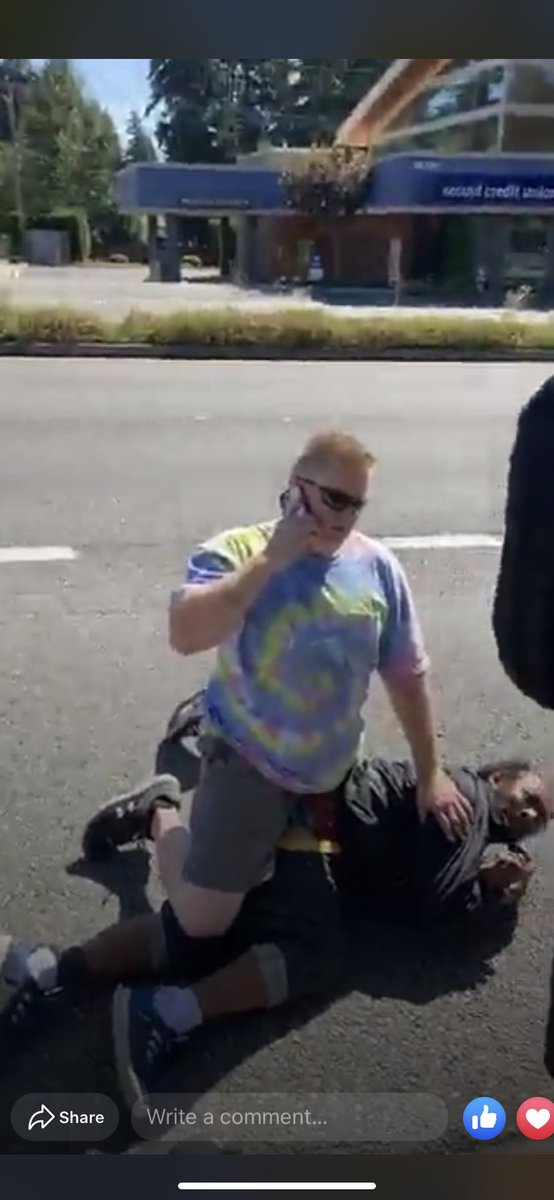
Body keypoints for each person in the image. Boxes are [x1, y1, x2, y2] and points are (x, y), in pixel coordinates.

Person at [0, 755, 549, 1110]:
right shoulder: (461, 797)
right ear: (498, 776)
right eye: (528, 795)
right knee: (316, 953)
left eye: (537, 817)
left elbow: (435, 898)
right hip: (308, 833)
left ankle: (51, 968)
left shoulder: (471, 833)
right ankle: (166, 1012)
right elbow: (435, 896)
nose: (527, 811)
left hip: (305, 839)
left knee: (202, 931)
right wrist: (487, 891)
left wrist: (489, 887)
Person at [155, 430, 472, 946]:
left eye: (357, 505)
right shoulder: (236, 550)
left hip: (332, 767)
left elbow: (406, 675)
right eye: (334, 499)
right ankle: (158, 810)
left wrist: (430, 773)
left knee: (346, 902)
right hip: (248, 754)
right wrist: (270, 561)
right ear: (295, 487)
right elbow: (186, 635)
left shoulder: (377, 567)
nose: (343, 518)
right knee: (203, 924)